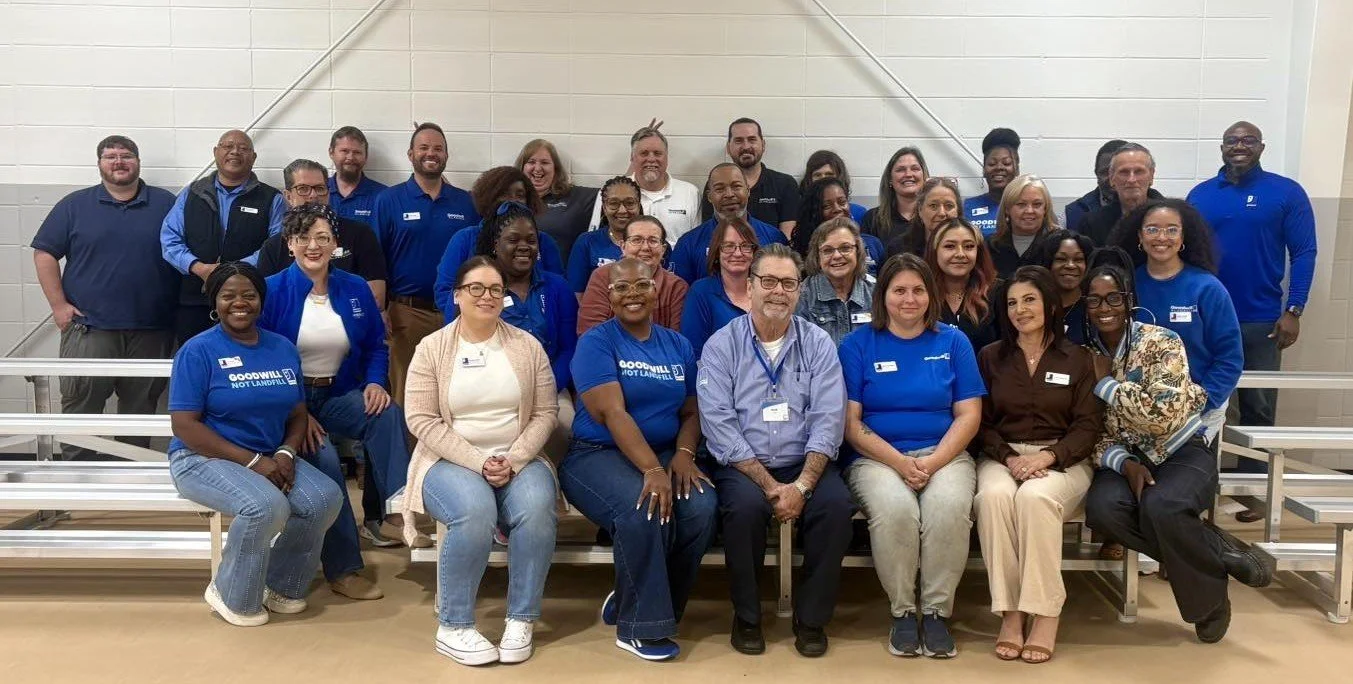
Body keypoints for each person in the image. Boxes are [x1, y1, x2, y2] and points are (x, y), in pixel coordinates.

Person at [1080, 261, 1272, 644]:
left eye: (1113, 298)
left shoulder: (1162, 341)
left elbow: (1163, 416)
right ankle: (1218, 551)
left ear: (1129, 300)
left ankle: (1209, 604)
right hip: (1124, 459)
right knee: (1102, 509)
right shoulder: (1083, 355)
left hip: (1182, 450)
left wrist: (1106, 384)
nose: (1105, 307)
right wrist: (1126, 462)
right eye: (1095, 300)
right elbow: (1089, 431)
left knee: (1162, 506)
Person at [399, 256, 560, 666]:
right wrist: (478, 461)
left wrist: (515, 457)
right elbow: (420, 418)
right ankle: (454, 626)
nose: (486, 296)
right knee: (473, 510)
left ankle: (521, 619)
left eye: (495, 289)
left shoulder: (527, 346)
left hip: (518, 456)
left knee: (538, 509)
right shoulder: (431, 348)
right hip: (448, 459)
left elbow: (545, 413)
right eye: (476, 288)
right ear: (457, 295)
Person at [166, 261, 343, 627]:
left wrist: (285, 452)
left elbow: (297, 412)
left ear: (261, 300)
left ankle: (281, 583)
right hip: (202, 457)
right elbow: (184, 426)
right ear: (215, 301)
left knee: (324, 498)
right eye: (228, 295)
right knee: (265, 506)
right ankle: (230, 591)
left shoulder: (281, 347)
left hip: (268, 455)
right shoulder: (198, 351)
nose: (240, 302)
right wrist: (253, 463)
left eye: (249, 295)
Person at [698, 244, 854, 658]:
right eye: (768, 281)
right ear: (749, 288)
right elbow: (718, 424)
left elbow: (828, 416)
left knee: (836, 508)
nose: (778, 292)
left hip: (806, 461)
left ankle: (812, 619)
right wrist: (771, 486)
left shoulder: (818, 343)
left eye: (788, 283)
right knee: (744, 511)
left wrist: (802, 485)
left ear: (799, 291)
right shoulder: (720, 345)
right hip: (744, 464)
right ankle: (747, 616)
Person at [559, 257, 716, 662]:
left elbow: (692, 410)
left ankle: (649, 602)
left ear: (656, 289)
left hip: (665, 451)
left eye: (641, 285)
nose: (632, 294)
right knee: (645, 507)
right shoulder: (596, 342)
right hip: (597, 454)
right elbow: (612, 413)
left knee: (700, 506)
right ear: (608, 297)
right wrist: (652, 470)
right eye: (621, 288)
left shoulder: (677, 344)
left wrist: (682, 454)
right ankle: (639, 627)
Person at [259, 203, 413, 600]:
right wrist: (299, 413)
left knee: (386, 414)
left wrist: (376, 382)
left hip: (338, 392)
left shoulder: (355, 287)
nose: (314, 245)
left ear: (335, 245)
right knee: (325, 461)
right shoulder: (272, 289)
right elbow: (266, 359)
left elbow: (375, 346)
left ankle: (400, 507)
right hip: (291, 402)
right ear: (290, 243)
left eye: (323, 237)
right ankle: (343, 568)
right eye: (304, 237)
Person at [840, 253, 985, 658]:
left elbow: (969, 414)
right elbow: (851, 423)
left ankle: (936, 613)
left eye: (918, 290)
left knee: (948, 507)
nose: (909, 299)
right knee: (897, 510)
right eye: (899, 290)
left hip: (946, 454)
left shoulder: (953, 342)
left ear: (932, 294)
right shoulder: (857, 344)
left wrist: (933, 462)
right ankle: (903, 612)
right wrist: (901, 463)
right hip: (876, 458)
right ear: (882, 295)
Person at [1187, 121, 1318, 522]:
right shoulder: (1201, 195)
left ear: (1261, 146)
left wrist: (1294, 309)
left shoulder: (1285, 193)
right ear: (1221, 147)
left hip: (1262, 320)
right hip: (1207, 319)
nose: (1239, 146)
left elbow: (1305, 251)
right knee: (1200, 405)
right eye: (1231, 140)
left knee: (1258, 408)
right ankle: (1197, 489)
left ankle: (1255, 493)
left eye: (1247, 140)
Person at [973, 265, 1103, 664]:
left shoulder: (1079, 358)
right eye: (1012, 302)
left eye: (1029, 299)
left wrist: (1048, 457)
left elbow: (1088, 426)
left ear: (1049, 302)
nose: (1019, 309)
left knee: (1035, 498)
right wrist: (1011, 459)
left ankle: (1045, 612)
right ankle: (1010, 614)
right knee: (992, 498)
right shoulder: (991, 357)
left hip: (1063, 457)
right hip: (1003, 455)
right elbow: (982, 423)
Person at [32, 135, 178, 461]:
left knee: (140, 410)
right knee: (81, 405)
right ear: (99, 164)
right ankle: (75, 477)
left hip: (151, 331)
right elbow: (44, 254)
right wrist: (58, 306)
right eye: (110, 156)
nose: (118, 162)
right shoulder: (74, 205)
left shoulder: (165, 204)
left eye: (126, 156)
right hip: (89, 329)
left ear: (137, 162)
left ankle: (129, 475)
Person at [1109, 199, 1242, 443]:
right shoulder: (1126, 285)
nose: (1162, 237)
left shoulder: (1207, 288)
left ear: (1183, 237)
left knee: (1183, 476)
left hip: (1197, 408)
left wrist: (1197, 403)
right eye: (1152, 229)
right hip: (1138, 408)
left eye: (1172, 229)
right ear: (1140, 235)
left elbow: (1229, 358)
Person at [455, 202, 576, 462]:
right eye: (513, 240)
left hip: (548, 387)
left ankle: (553, 493)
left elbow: (569, 348)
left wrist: (544, 387)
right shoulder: (477, 287)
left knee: (564, 425)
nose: (524, 247)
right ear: (495, 245)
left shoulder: (557, 287)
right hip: (487, 387)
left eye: (531, 241)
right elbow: (459, 343)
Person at [371, 122, 480, 406]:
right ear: (410, 154)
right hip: (406, 314)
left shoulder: (466, 203)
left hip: (457, 313)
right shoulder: (388, 200)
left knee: (455, 392)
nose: (431, 153)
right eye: (424, 147)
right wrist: (380, 310)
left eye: (438, 148)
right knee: (408, 396)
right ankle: (409, 452)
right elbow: (375, 260)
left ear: (446, 155)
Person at [161, 129, 285, 345]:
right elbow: (169, 239)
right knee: (196, 365)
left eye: (243, 148)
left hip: (247, 303)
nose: (235, 152)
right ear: (216, 152)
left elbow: (275, 245)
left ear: (253, 158)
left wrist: (232, 272)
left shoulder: (271, 198)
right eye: (228, 146)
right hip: (195, 303)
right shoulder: (192, 194)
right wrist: (199, 268)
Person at [434, 167, 562, 314]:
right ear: (489, 198)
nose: (513, 201)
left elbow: (557, 292)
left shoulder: (544, 242)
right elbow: (445, 291)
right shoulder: (465, 239)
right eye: (504, 195)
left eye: (520, 195)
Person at [256, 160, 386, 296]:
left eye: (319, 188)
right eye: (303, 189)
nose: (313, 195)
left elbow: (375, 297)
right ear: (288, 196)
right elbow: (266, 301)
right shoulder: (273, 247)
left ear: (328, 193)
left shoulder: (360, 234)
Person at [670, 163, 787, 285]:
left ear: (747, 191)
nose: (729, 194)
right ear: (709, 196)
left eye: (736, 186)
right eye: (720, 189)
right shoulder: (688, 244)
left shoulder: (775, 238)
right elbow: (680, 297)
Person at [586, 124, 703, 245]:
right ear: (632, 157)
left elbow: (696, 242)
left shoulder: (690, 192)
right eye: (644, 153)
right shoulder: (610, 193)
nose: (651, 159)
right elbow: (595, 240)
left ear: (666, 157)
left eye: (657, 153)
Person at [579, 215, 688, 334]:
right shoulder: (603, 276)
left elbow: (677, 341)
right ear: (623, 246)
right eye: (636, 240)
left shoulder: (676, 286)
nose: (645, 247)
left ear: (663, 249)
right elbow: (590, 331)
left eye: (653, 241)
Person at [699, 118, 800, 237]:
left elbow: (786, 238)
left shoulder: (785, 184)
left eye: (752, 140)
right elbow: (710, 231)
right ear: (728, 147)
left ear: (763, 144)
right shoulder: (715, 184)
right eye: (738, 141)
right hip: (728, 253)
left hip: (771, 253)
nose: (746, 146)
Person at [681, 217, 758, 359]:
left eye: (745, 246)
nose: (737, 253)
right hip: (716, 377)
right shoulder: (701, 292)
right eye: (728, 246)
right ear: (717, 252)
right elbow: (694, 352)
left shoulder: (764, 290)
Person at [796, 217, 876, 345]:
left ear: (858, 251)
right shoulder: (802, 295)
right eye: (827, 250)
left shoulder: (875, 292)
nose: (837, 256)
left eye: (845, 248)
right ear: (817, 256)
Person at [518, 138, 598, 263]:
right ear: (522, 167)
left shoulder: (575, 197)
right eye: (531, 162)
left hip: (560, 277)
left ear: (556, 169)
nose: (537, 168)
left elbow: (615, 191)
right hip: (517, 276)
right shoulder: (510, 199)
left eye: (545, 162)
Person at [925, 218, 999, 352]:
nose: (960, 254)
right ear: (934, 251)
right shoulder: (920, 293)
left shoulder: (998, 292)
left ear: (979, 252)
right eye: (950, 246)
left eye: (969, 246)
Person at [1076, 143, 1163, 247]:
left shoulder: (1175, 217)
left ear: (1151, 176)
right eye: (1124, 172)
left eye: (1139, 171)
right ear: (1112, 178)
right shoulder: (1092, 223)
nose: (1131, 179)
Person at [791, 178, 884, 274]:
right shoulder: (800, 252)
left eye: (842, 202)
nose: (837, 209)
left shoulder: (872, 244)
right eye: (827, 206)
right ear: (813, 213)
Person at [568, 176, 643, 294]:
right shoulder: (587, 242)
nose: (622, 210)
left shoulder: (654, 243)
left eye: (629, 203)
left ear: (638, 205)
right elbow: (577, 293)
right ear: (604, 207)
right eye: (614, 203)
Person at [987, 174, 1057, 279]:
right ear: (1007, 209)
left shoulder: (1058, 244)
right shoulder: (990, 246)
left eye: (1037, 204)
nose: (1029, 211)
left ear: (1045, 208)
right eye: (1021, 204)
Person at [1030, 230, 1094, 344]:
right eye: (1061, 259)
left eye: (1078, 259)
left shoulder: (1095, 308)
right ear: (1048, 263)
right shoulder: (1033, 308)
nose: (1070, 265)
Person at [883, 176, 962, 262]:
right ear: (920, 210)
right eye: (933, 206)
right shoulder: (898, 249)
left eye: (949, 206)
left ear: (958, 211)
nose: (942, 213)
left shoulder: (971, 248)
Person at [861, 147, 929, 245]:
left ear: (924, 176)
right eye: (901, 170)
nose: (908, 174)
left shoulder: (935, 217)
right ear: (890, 179)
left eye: (915, 169)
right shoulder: (872, 219)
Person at [964, 128, 1020, 238]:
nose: (999, 167)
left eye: (1006, 163)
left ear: (1016, 169)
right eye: (992, 163)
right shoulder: (967, 207)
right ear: (984, 170)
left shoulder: (1027, 207)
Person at [1064, 139, 1127, 234]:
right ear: (1096, 173)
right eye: (1105, 172)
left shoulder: (1155, 210)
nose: (1112, 179)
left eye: (1121, 171)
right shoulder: (1072, 214)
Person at [327, 126, 387, 223]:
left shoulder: (383, 196)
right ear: (331, 153)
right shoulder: (317, 191)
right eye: (344, 151)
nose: (350, 157)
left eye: (357, 152)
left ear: (366, 156)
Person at [798, 149, 869, 224]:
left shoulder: (859, 213)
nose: (824, 179)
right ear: (809, 179)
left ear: (840, 177)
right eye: (818, 175)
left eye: (829, 174)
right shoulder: (799, 213)